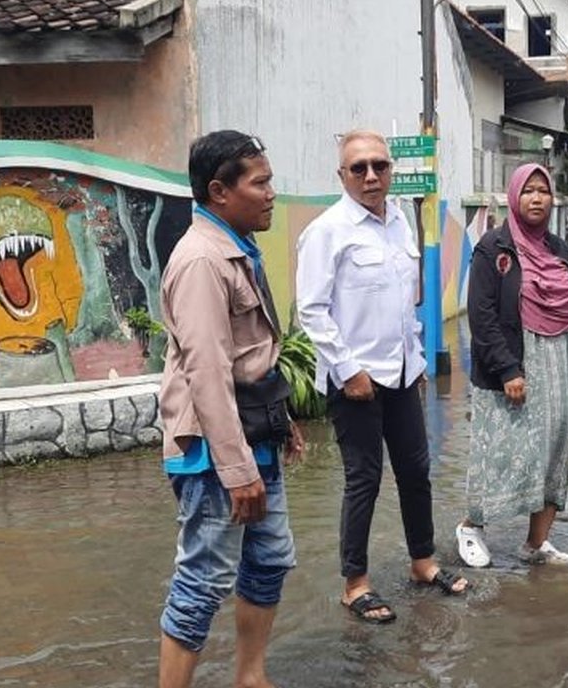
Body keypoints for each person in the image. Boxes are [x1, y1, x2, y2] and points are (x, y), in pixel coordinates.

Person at [296, 129, 468, 625]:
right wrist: (349, 371)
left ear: (391, 170)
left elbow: (402, 303)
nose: (371, 176)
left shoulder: (399, 222)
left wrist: (414, 362)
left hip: (401, 376)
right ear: (342, 175)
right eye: (359, 168)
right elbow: (312, 311)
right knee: (363, 481)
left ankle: (422, 562)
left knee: (416, 472)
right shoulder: (328, 230)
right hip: (356, 383)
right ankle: (356, 585)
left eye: (380, 166)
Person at [157, 130, 304, 688]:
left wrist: (280, 421)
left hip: (253, 435)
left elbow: (251, 356)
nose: (271, 193)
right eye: (260, 182)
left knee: (269, 561)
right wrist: (237, 469)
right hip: (215, 455)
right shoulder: (200, 261)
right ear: (219, 191)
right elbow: (207, 373)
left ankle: (251, 676)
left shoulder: (236, 247)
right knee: (202, 580)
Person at [456, 162, 568, 568]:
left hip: (558, 361)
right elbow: (482, 314)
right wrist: (508, 369)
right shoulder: (493, 248)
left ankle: (536, 543)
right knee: (504, 451)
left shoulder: (558, 249)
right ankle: (471, 527)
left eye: (543, 190)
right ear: (514, 196)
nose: (537, 198)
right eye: (528, 190)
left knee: (554, 448)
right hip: (516, 361)